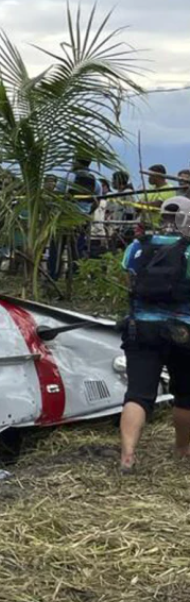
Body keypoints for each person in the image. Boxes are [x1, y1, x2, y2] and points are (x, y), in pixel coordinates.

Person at [117, 196, 190, 471]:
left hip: (140, 328)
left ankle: (128, 455)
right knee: (185, 394)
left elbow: (129, 281)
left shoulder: (138, 245)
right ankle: (183, 449)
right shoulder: (188, 250)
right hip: (184, 330)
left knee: (137, 394)